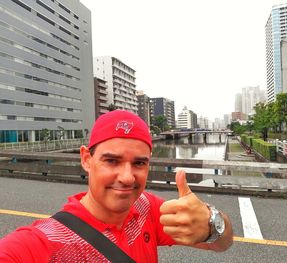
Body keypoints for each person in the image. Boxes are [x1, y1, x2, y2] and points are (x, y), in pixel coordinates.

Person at [0, 110, 233, 262]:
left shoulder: (147, 208)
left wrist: (212, 223)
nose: (128, 177)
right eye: (112, 161)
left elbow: (222, 244)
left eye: (139, 163)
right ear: (86, 159)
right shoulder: (42, 242)